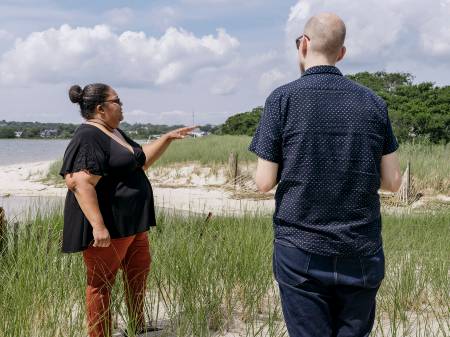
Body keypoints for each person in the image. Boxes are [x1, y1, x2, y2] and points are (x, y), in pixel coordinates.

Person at [249, 13, 402, 337]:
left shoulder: (282, 99)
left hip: (300, 249)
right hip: (360, 249)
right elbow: (393, 183)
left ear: (303, 45)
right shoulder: (374, 103)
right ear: (341, 53)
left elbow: (263, 183)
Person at [60, 83, 195, 337]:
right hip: (110, 227)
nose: (122, 106)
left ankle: (137, 324)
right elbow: (80, 182)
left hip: (133, 224)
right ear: (101, 108)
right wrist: (98, 227)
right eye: (117, 101)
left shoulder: (114, 132)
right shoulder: (88, 136)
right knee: (101, 283)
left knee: (138, 272)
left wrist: (166, 138)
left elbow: (139, 161)